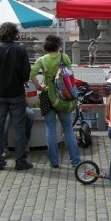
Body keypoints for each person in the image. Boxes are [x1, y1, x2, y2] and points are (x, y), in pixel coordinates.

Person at [30, 35, 82, 169]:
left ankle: (54, 161)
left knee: (51, 128)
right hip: (64, 95)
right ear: (58, 45)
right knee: (68, 128)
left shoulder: (42, 60)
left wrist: (38, 86)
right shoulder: (64, 57)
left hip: (47, 96)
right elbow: (70, 74)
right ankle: (75, 160)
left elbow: (32, 73)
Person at [0, 22, 33, 171]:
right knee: (19, 127)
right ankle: (20, 160)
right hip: (17, 93)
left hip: (0, 94)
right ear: (15, 34)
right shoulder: (20, 50)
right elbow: (26, 75)